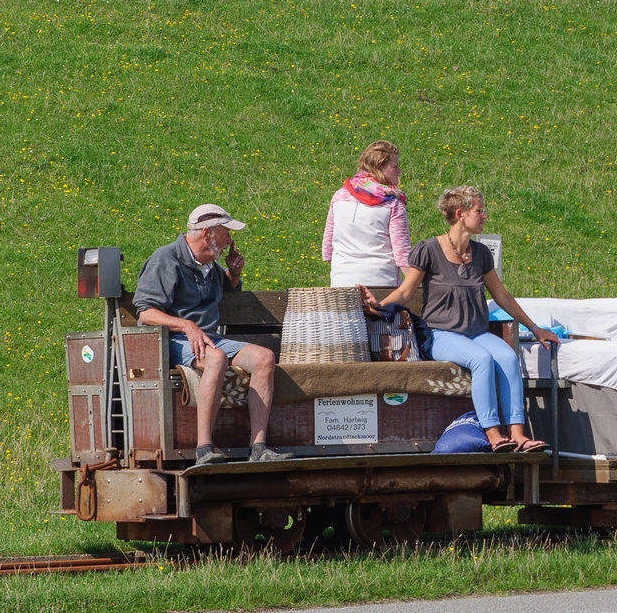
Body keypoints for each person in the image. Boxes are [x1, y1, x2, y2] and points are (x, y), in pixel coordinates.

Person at [367, 186, 557, 452]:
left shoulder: (480, 254)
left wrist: (535, 328)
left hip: (477, 333)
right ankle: (493, 434)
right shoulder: (428, 250)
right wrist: (380, 305)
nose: (485, 216)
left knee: (507, 358)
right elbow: (406, 291)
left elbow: (501, 295)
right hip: (441, 335)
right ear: (460, 214)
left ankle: (518, 435)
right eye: (479, 211)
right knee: (482, 360)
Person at [134, 204, 287, 466]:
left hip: (209, 338)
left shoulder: (208, 264)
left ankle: (258, 446)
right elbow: (145, 312)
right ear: (207, 234)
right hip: (171, 341)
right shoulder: (166, 259)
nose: (230, 240)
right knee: (216, 358)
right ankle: (204, 448)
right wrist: (186, 326)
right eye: (225, 233)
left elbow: (226, 292)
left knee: (264, 358)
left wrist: (234, 274)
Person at [322, 140, 410, 288]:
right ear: (380, 167)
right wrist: (415, 288)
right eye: (394, 166)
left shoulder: (339, 196)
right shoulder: (392, 203)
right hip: (382, 285)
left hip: (341, 285)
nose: (399, 171)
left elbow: (327, 249)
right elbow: (402, 255)